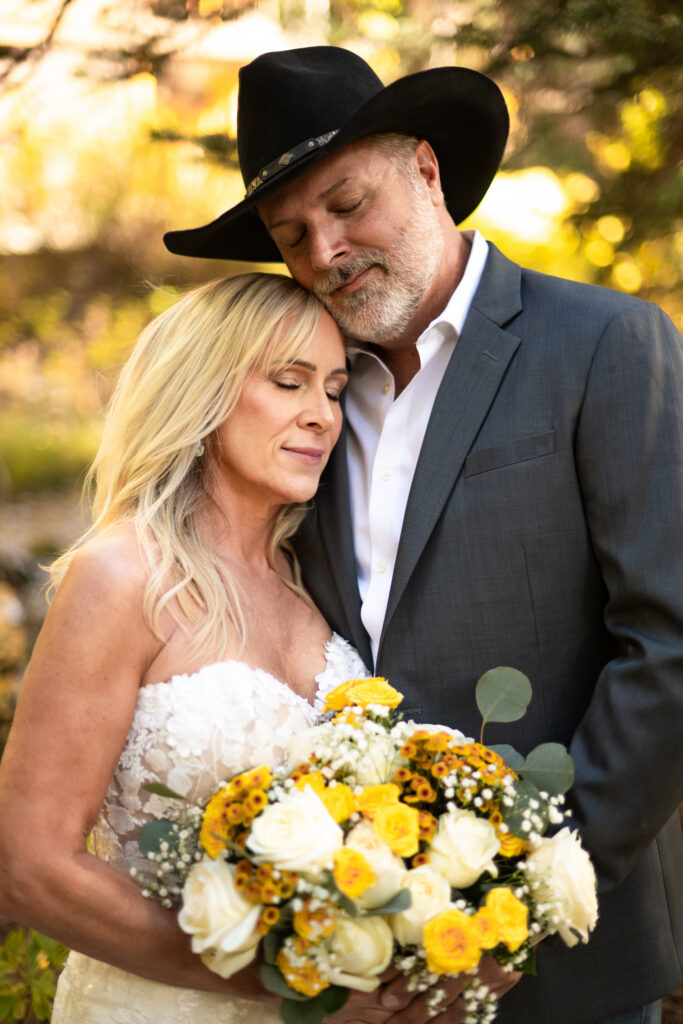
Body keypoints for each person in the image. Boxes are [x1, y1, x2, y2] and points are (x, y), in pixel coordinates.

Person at [163, 46, 683, 1024]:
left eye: (347, 203)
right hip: (360, 972)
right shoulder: (298, 399)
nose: (321, 252)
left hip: (572, 959)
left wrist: (523, 896)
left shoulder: (604, 344)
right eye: (291, 234)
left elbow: (667, 644)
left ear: (427, 171)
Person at [0, 271, 378, 1023]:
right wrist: (285, 980)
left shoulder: (311, 583)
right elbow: (28, 865)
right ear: (202, 394)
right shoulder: (121, 576)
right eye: (288, 382)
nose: (322, 417)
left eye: (333, 390)